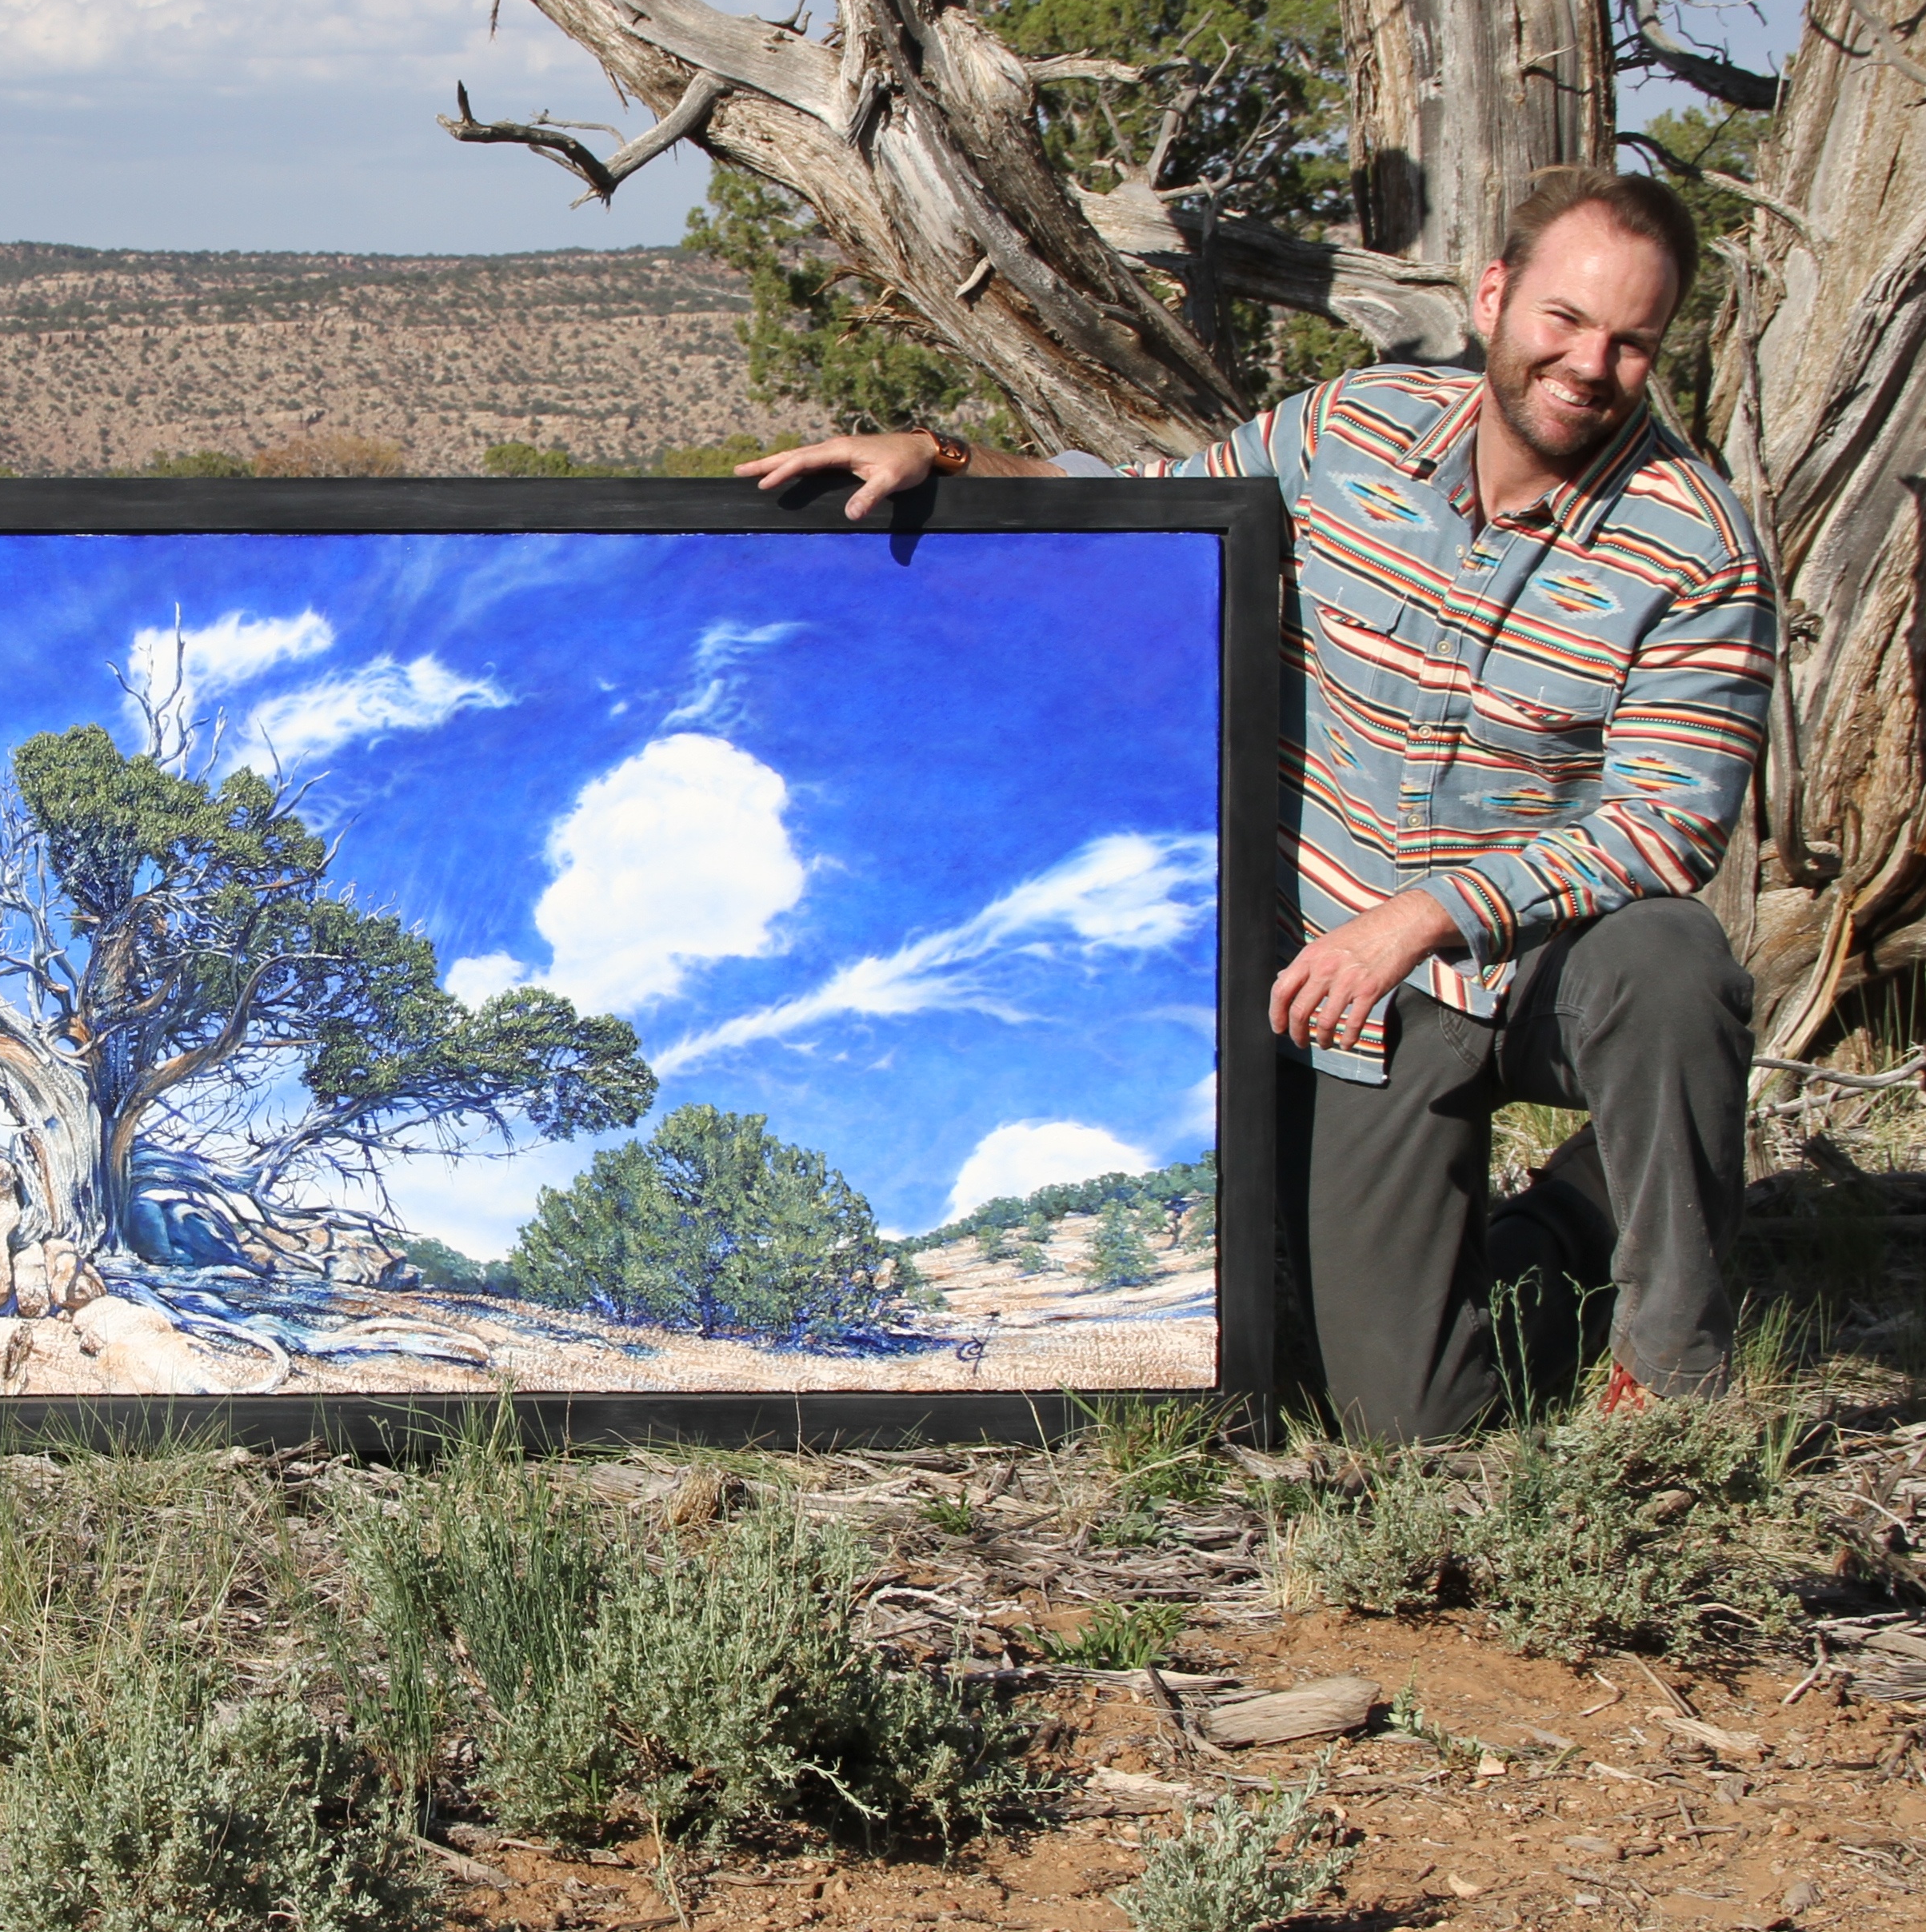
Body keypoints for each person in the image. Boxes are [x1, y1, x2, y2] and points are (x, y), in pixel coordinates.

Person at [737, 167, 1780, 1445]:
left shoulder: (1698, 543)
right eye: (1564, 320)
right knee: (1408, 1424)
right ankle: (1571, 1220)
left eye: (1632, 343)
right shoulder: (1355, 432)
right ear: (1497, 297)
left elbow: (1669, 824)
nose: (1589, 365)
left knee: (1674, 963)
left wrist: (1418, 923)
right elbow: (1157, 511)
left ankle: (1674, 1374)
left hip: (1527, 968)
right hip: (1342, 993)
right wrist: (942, 456)